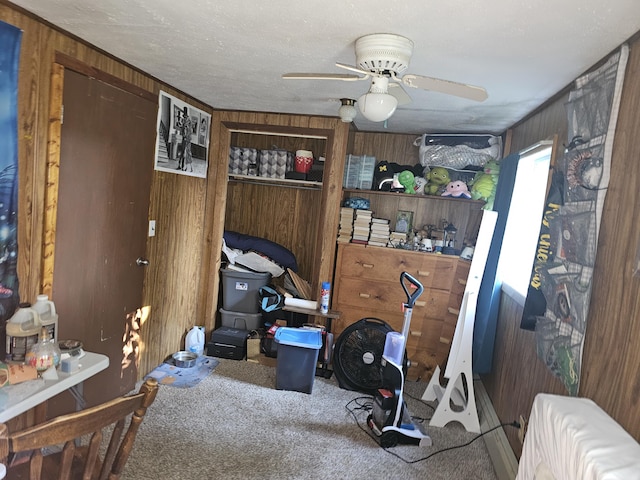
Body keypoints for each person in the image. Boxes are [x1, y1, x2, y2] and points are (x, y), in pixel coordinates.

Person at [177, 107, 193, 171]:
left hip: (187, 139)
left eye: (185, 117)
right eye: (184, 117)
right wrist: (180, 125)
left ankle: (187, 167)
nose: (184, 118)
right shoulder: (184, 121)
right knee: (183, 152)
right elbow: (182, 128)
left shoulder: (188, 122)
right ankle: (180, 165)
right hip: (184, 138)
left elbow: (189, 130)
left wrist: (186, 136)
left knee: (187, 153)